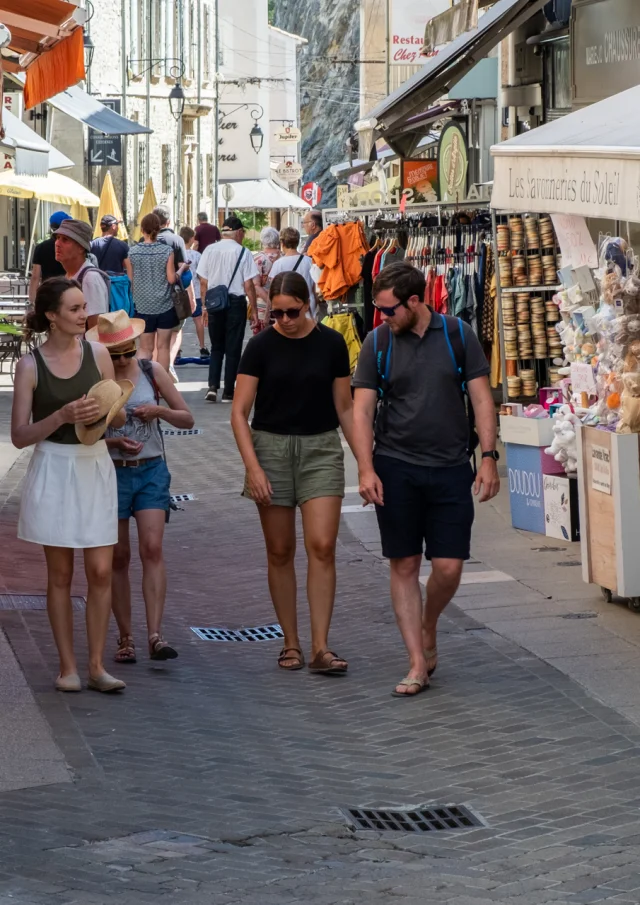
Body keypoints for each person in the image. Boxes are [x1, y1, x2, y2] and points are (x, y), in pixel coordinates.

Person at [351, 262, 500, 698]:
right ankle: (417, 661)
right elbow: (361, 411)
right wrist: (365, 467)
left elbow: (481, 399)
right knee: (405, 564)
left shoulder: (458, 335)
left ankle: (429, 622)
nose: (382, 317)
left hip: (452, 467)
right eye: (378, 309)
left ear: (415, 302)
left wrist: (488, 457)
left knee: (450, 567)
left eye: (389, 309)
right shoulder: (377, 342)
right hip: (396, 466)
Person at [231, 271, 354, 675]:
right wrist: (253, 468)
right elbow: (238, 412)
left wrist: (366, 465)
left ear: (309, 305)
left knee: (322, 545)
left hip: (320, 447)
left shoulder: (332, 344)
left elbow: (346, 409)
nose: (283, 320)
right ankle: (291, 642)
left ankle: (321, 647)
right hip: (270, 448)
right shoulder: (261, 346)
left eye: (291, 312)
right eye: (276, 313)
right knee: (280, 550)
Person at [11, 277, 128, 694]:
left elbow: (116, 417)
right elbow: (20, 436)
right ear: (52, 316)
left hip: (93, 466)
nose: (84, 316)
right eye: (76, 309)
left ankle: (97, 666)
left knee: (100, 570)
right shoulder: (30, 366)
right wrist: (61, 416)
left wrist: (107, 411)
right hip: (54, 468)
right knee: (59, 574)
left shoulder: (99, 353)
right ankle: (67, 667)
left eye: (84, 308)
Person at [90, 310, 194, 664]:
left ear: (136, 347)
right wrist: (114, 443)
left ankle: (155, 634)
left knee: (152, 548)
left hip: (151, 470)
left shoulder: (153, 372)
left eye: (127, 353)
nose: (122, 361)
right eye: (114, 355)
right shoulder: (97, 380)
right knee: (118, 557)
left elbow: (187, 417)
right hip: (112, 473)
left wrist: (158, 412)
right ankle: (125, 637)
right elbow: (83, 439)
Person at [197, 215, 258, 403]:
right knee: (233, 348)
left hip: (215, 302)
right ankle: (229, 391)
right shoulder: (243, 252)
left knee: (216, 347)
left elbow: (203, 282)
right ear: (238, 232)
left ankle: (213, 386)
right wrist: (254, 310)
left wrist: (205, 306)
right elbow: (249, 285)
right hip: (236, 303)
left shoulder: (209, 250)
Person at [128, 213, 178, 372]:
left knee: (144, 349)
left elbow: (131, 281)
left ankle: (143, 381)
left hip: (142, 306)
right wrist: (180, 271)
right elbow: (171, 279)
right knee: (163, 348)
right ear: (159, 229)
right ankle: (162, 384)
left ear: (142, 229)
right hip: (165, 305)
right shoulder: (167, 251)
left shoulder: (132, 252)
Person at [54, 220, 110, 330]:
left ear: (81, 248)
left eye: (65, 240)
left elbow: (95, 329)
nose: (57, 244)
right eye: (57, 238)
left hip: (83, 347)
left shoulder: (90, 278)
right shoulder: (70, 274)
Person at [267, 227, 317, 317]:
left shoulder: (278, 264)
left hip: (286, 308)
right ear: (297, 242)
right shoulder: (309, 261)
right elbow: (314, 288)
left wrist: (268, 313)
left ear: (282, 243)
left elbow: (272, 291)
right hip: (307, 306)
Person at [28, 211, 71, 303]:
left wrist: (32, 302)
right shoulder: (70, 246)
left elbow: (35, 276)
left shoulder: (41, 247)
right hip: (67, 292)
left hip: (47, 292)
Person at [180, 226, 208, 358]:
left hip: (180, 294)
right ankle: (202, 347)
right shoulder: (197, 256)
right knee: (198, 321)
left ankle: (177, 350)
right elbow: (202, 277)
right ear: (191, 239)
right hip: (195, 293)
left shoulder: (177, 254)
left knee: (179, 323)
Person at [253, 227, 281, 331]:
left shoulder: (257, 259)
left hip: (262, 307)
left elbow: (256, 286)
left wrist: (271, 304)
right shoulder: (284, 257)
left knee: (262, 342)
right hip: (282, 305)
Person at [90, 214, 133, 279]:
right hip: (116, 286)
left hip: (98, 283)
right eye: (117, 225)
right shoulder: (122, 245)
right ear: (113, 226)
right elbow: (128, 267)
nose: (118, 228)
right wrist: (129, 286)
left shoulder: (92, 244)